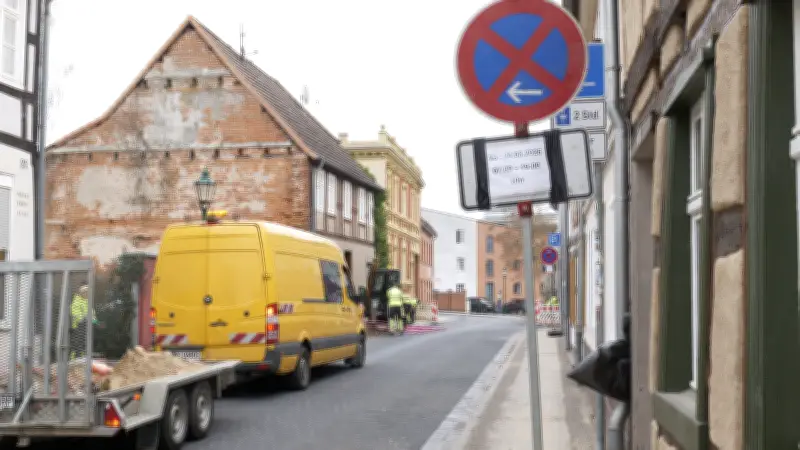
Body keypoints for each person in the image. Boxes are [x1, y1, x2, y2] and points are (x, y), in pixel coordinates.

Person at [69, 284, 96, 359]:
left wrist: (95, 321)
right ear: (82, 293)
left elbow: (92, 315)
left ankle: (83, 362)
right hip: (78, 327)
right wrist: (85, 319)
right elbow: (76, 314)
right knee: (77, 346)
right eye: (86, 292)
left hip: (87, 327)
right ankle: (74, 362)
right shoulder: (76, 302)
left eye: (88, 292)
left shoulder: (88, 302)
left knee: (85, 345)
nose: (88, 294)